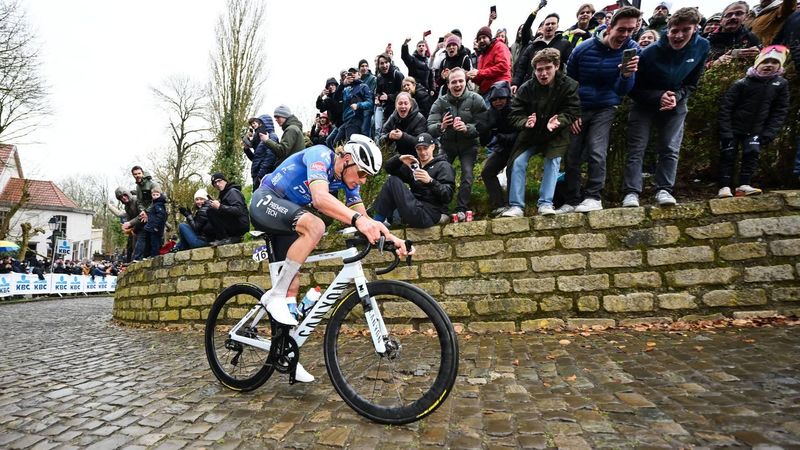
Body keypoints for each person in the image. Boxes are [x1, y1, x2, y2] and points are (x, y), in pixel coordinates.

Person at [249, 134, 412, 383]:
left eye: (366, 176)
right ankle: (273, 296)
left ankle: (286, 354)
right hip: (266, 200)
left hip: (288, 216)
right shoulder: (320, 155)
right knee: (316, 226)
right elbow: (320, 199)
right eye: (361, 173)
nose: (361, 180)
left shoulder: (349, 182)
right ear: (346, 159)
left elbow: (364, 217)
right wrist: (357, 221)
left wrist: (391, 237)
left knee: (292, 287)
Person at [622, 7, 710, 208]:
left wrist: (676, 97)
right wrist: (658, 96)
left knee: (670, 147)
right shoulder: (649, 53)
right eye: (674, 30)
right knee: (637, 148)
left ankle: (664, 189)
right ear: (667, 30)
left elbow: (692, 83)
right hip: (645, 102)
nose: (678, 36)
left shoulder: (702, 47)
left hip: (676, 102)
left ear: (695, 29)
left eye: (685, 30)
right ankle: (631, 192)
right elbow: (633, 88)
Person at [559, 6, 642, 214]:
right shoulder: (583, 49)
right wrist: (573, 112)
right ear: (609, 27)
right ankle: (572, 199)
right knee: (572, 154)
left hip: (606, 106)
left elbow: (624, 91)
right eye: (622, 29)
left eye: (631, 30)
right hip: (580, 106)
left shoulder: (632, 50)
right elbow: (570, 82)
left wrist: (626, 75)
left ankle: (593, 196)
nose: (625, 35)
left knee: (597, 150)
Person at [501, 48, 580, 217]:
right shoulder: (526, 88)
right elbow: (514, 114)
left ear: (556, 66)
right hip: (531, 135)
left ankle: (545, 203)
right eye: (539, 70)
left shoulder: (569, 85)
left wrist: (560, 120)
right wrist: (525, 122)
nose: (543, 73)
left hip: (555, 134)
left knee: (553, 161)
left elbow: (572, 110)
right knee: (518, 162)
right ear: (534, 70)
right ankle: (516, 206)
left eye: (547, 68)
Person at [716, 45, 790, 198]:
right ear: (757, 64)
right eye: (765, 61)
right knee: (728, 155)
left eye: (774, 62)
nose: (769, 65)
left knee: (752, 154)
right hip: (734, 127)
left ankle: (744, 184)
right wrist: (726, 131)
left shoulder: (780, 85)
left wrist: (769, 132)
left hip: (757, 129)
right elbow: (726, 108)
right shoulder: (742, 83)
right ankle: (724, 186)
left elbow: (779, 110)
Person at [427, 68, 488, 221]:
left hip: (469, 144)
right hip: (447, 144)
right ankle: (443, 208)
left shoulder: (476, 99)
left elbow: (484, 124)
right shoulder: (440, 102)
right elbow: (430, 126)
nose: (457, 84)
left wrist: (467, 128)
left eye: (460, 81)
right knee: (443, 175)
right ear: (448, 84)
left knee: (467, 174)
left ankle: (462, 208)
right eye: (453, 82)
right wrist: (441, 126)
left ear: (466, 81)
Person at [372, 133, 455, 228]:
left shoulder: (444, 166)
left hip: (428, 214)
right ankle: (378, 222)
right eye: (419, 149)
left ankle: (376, 222)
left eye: (425, 148)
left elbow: (448, 196)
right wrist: (399, 159)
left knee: (392, 181)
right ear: (415, 150)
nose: (422, 152)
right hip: (413, 208)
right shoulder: (414, 166)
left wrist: (430, 181)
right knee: (392, 180)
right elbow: (389, 169)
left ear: (432, 147)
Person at [479, 81, 519, 216]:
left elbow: (520, 134)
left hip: (517, 147)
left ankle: (512, 204)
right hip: (502, 148)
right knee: (487, 171)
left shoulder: (515, 110)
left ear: (507, 98)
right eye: (494, 99)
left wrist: (499, 135)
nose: (498, 102)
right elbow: (484, 140)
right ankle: (499, 204)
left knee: (512, 171)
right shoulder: (490, 113)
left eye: (501, 98)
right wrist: (485, 131)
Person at [512, 13, 574, 95]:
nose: (550, 26)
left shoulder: (565, 44)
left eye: (553, 23)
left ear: (557, 26)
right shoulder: (532, 46)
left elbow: (571, 65)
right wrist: (515, 83)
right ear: (542, 27)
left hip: (554, 90)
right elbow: (521, 67)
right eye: (547, 24)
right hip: (532, 90)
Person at [467, 26, 512, 97]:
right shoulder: (481, 56)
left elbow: (503, 66)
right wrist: (472, 76)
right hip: (486, 92)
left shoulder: (499, 46)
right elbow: (482, 78)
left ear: (490, 38)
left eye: (484, 37)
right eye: (479, 39)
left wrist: (479, 73)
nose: (481, 40)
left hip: (499, 89)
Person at [207, 172, 249, 246]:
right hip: (235, 224)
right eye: (214, 183)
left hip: (240, 224)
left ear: (225, 181)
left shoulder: (232, 192)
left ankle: (225, 239)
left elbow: (239, 210)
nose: (217, 184)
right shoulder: (224, 194)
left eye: (219, 181)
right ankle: (231, 238)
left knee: (211, 211)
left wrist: (220, 206)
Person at [380, 92, 427, 156]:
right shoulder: (393, 117)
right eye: (400, 103)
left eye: (406, 103)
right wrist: (389, 136)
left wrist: (403, 136)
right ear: (396, 105)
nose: (403, 106)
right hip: (397, 154)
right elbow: (380, 140)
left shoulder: (419, 118)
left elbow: (421, 142)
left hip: (415, 155)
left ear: (411, 105)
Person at [374, 53, 406, 139]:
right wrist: (378, 98)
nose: (384, 65)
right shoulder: (379, 78)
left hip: (399, 111)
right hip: (386, 110)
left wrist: (389, 97)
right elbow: (378, 92)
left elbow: (404, 93)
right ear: (378, 65)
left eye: (386, 62)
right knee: (385, 133)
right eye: (381, 63)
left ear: (389, 63)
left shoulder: (397, 74)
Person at [243, 115, 279, 186]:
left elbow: (270, 157)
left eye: (256, 123)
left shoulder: (271, 137)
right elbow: (256, 159)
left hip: (264, 176)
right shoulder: (259, 140)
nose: (253, 126)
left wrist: (261, 175)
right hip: (257, 175)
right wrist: (246, 150)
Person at [133, 185, 167, 261]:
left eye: (157, 195)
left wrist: (155, 226)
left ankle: (154, 256)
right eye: (153, 195)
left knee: (155, 242)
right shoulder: (155, 204)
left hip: (156, 228)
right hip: (151, 227)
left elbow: (160, 217)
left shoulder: (159, 204)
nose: (155, 196)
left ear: (160, 195)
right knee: (150, 241)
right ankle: (149, 255)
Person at [108, 187, 139, 262]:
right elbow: (122, 215)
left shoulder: (136, 200)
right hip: (135, 227)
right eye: (121, 197)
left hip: (141, 226)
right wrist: (128, 227)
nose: (124, 198)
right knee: (129, 247)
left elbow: (143, 214)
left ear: (127, 194)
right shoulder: (127, 206)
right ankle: (129, 263)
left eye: (124, 195)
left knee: (136, 246)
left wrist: (129, 223)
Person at [358, 59, 377, 136]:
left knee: (365, 129)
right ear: (359, 68)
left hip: (368, 107)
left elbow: (371, 93)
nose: (364, 68)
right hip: (358, 108)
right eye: (362, 66)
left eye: (366, 66)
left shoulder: (372, 78)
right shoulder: (357, 80)